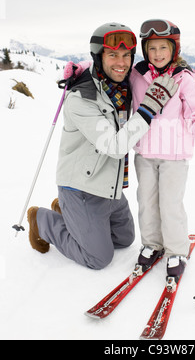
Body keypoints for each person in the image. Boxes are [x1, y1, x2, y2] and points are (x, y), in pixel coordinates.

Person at [64, 19, 195, 282]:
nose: (158, 54)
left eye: (164, 48)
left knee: (170, 204)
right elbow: (109, 66)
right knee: (146, 202)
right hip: (145, 153)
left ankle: (176, 250)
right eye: (152, 48)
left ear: (174, 50)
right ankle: (151, 243)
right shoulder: (137, 75)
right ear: (146, 51)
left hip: (174, 156)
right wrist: (81, 70)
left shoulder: (184, 80)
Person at [27, 22, 178, 270]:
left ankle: (69, 215)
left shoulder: (122, 84)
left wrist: (177, 65)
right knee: (98, 257)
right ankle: (43, 221)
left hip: (107, 185)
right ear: (99, 57)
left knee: (125, 238)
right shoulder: (81, 99)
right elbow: (115, 146)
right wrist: (148, 108)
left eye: (126, 55)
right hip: (81, 187)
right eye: (113, 55)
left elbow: (154, 68)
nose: (122, 62)